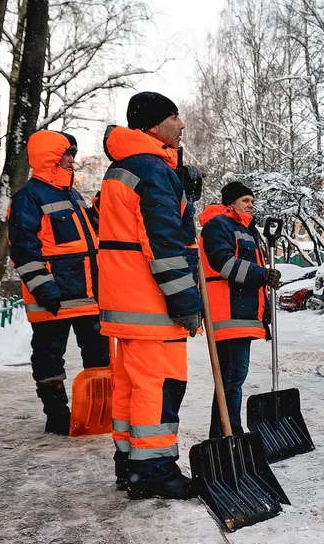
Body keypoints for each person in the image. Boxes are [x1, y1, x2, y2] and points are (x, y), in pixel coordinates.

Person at [95, 92, 201, 500]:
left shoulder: (125, 167)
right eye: (175, 117)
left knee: (132, 386)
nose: (181, 125)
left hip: (128, 302)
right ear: (154, 125)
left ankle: (131, 465)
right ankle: (155, 470)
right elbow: (164, 244)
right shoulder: (151, 169)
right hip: (152, 303)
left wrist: (183, 192)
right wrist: (186, 301)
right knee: (159, 388)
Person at [8, 130, 108, 433]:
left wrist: (98, 211)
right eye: (67, 153)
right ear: (50, 156)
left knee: (100, 356)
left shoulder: (71, 194)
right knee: (49, 357)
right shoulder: (28, 196)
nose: (72, 160)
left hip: (87, 295)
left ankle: (98, 411)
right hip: (53, 296)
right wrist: (43, 288)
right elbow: (23, 248)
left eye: (73, 154)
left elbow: (84, 237)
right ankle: (56, 415)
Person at [198, 181, 279, 436]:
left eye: (252, 201)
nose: (251, 205)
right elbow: (223, 263)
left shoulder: (245, 229)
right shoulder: (219, 225)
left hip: (242, 313)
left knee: (232, 378)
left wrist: (264, 307)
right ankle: (229, 433)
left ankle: (224, 432)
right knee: (232, 377)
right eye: (245, 200)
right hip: (227, 313)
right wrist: (261, 274)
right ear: (230, 203)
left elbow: (249, 274)